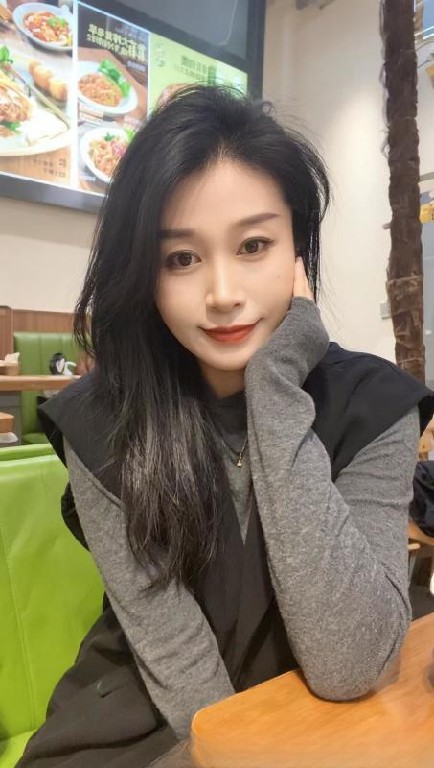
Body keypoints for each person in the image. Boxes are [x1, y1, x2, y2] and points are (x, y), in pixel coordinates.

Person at [18, 85, 434, 767]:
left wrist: (275, 389)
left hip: (319, 708)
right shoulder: (102, 420)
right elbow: (176, 658)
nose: (222, 294)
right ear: (144, 274)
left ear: (298, 248)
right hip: (151, 718)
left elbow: (351, 661)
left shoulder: (375, 406)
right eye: (181, 258)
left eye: (253, 245)